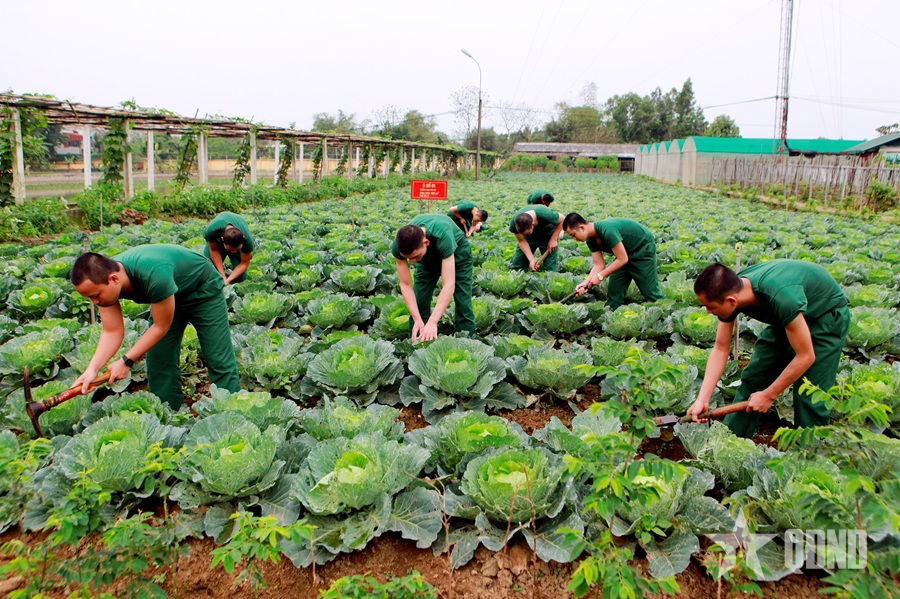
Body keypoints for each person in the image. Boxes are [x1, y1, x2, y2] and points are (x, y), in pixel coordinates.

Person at [686, 260, 850, 438]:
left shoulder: (782, 298)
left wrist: (769, 395)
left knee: (810, 396)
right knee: (755, 379)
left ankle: (812, 455)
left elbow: (806, 356)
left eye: (710, 307)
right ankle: (729, 441)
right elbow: (721, 347)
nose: (707, 311)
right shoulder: (732, 291)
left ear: (731, 301)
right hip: (785, 319)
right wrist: (703, 398)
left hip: (824, 317)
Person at [70, 245, 241, 409]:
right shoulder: (104, 281)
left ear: (114, 279)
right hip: (168, 296)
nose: (94, 302)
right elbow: (112, 330)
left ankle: (231, 408)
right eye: (89, 298)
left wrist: (126, 361)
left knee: (217, 355)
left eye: (95, 295)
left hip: (202, 288)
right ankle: (167, 412)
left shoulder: (153, 275)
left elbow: (160, 327)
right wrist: (92, 370)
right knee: (159, 358)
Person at [392, 214, 475, 341]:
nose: (413, 261)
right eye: (409, 258)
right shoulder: (399, 247)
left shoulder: (442, 235)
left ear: (426, 242)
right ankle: (417, 343)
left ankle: (466, 341)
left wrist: (433, 321)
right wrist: (417, 319)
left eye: (415, 257)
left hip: (458, 254)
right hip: (426, 260)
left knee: (463, 302)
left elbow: (448, 284)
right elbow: (405, 285)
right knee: (420, 301)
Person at [563, 213, 664, 310]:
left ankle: (667, 314)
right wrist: (585, 283)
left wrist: (600, 276)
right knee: (614, 292)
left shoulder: (607, 230)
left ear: (581, 228)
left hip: (642, 249)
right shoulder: (590, 240)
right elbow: (599, 265)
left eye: (573, 235)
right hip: (624, 254)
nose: (574, 239)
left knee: (650, 291)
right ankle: (610, 317)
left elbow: (623, 259)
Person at [509, 204, 565, 272]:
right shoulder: (514, 223)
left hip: (547, 235)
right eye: (522, 234)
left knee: (550, 267)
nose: (523, 235)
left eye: (526, 233)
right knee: (518, 264)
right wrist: (531, 259)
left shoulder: (545, 213)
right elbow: (521, 241)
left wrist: (554, 239)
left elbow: (563, 220)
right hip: (529, 239)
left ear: (533, 224)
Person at [204, 211, 255, 284]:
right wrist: (222, 275)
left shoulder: (247, 240)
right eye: (230, 250)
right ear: (222, 240)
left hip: (239, 225)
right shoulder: (212, 230)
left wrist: (228, 280)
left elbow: (244, 263)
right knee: (208, 267)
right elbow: (213, 250)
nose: (233, 252)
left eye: (236, 250)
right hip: (217, 239)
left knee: (240, 278)